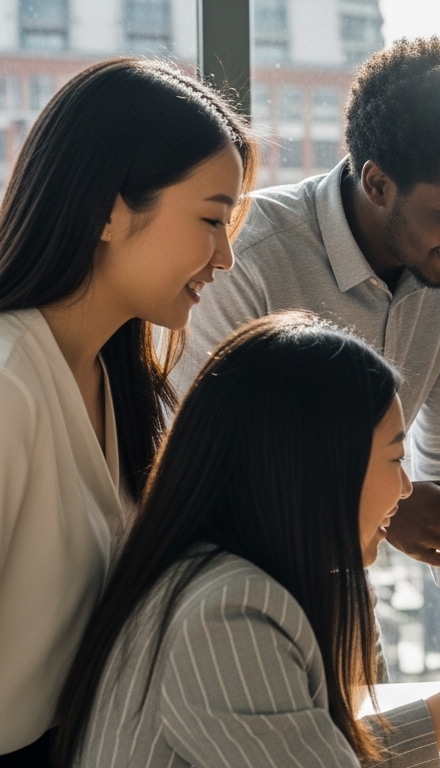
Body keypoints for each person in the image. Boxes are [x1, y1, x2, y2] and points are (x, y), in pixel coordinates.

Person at [52, 312, 440, 768]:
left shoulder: (224, 580)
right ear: (317, 468)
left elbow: (329, 754)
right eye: (394, 456)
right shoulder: (229, 615)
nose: (407, 485)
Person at [171, 36, 440, 672]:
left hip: (343, 600)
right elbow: (207, 464)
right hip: (221, 602)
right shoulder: (247, 257)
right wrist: (383, 502)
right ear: (377, 181)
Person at [0, 58, 256, 762]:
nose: (226, 256)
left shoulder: (118, 379)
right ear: (108, 210)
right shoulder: (10, 387)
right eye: (211, 219)